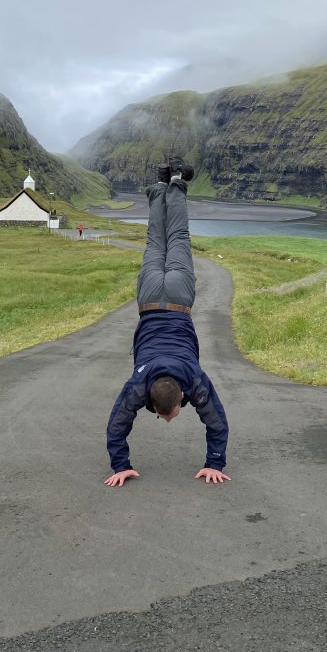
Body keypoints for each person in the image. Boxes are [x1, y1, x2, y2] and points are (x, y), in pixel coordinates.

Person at [104, 159, 230, 487]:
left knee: (177, 237)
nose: (167, 419)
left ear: (181, 394)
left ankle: (175, 182)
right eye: (168, 415)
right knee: (155, 240)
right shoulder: (139, 385)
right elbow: (116, 424)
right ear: (181, 394)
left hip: (179, 298)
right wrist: (118, 465)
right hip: (148, 298)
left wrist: (122, 465)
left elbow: (217, 422)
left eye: (165, 415)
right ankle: (161, 184)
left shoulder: (194, 378)